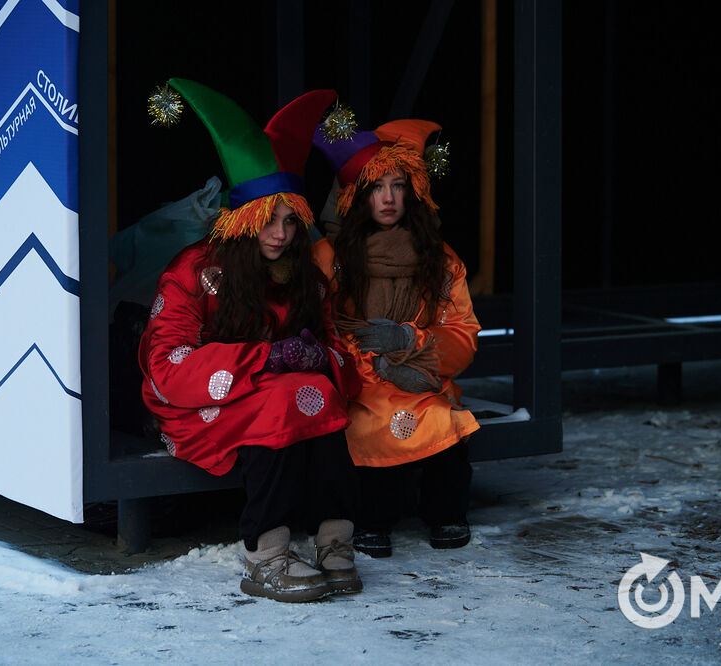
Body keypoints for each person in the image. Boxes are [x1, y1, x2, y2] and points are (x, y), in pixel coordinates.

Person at [140, 79, 362, 602]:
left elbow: (342, 354)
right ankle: (264, 556)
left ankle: (334, 538)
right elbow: (166, 366)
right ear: (240, 219)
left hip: (273, 399)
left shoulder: (306, 273)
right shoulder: (192, 270)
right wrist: (269, 357)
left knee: (320, 391)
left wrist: (323, 358)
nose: (281, 234)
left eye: (290, 220)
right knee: (287, 396)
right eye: (267, 220)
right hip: (195, 404)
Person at [311, 119, 481, 558]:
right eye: (376, 187)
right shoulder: (330, 258)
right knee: (367, 423)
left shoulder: (440, 259)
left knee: (442, 418)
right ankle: (372, 521)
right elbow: (316, 326)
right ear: (357, 195)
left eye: (398, 185)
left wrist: (411, 342)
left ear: (414, 192)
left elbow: (462, 329)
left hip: (420, 373)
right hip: (360, 380)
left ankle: (445, 513)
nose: (388, 198)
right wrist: (369, 363)